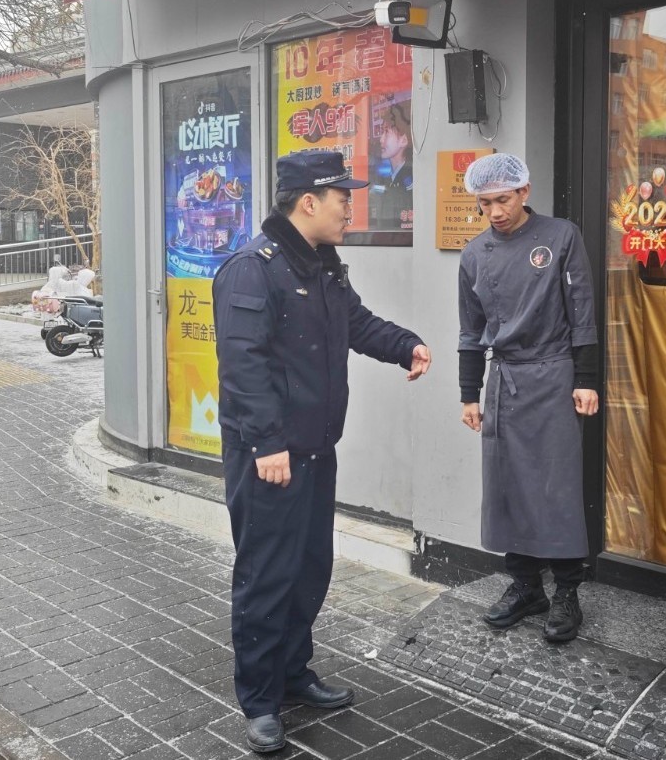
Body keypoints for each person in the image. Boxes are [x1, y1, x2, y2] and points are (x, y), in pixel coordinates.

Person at [212, 149, 431, 753]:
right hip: (270, 458)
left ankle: (293, 674)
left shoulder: (325, 267)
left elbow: (356, 324)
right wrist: (266, 443)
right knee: (266, 575)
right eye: (342, 199)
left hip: (313, 450)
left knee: (310, 568)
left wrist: (405, 344)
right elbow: (242, 366)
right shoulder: (250, 270)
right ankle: (259, 701)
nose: (350, 210)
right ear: (308, 202)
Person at [457, 152, 599, 644]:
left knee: (555, 485)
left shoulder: (561, 236)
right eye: (485, 202)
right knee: (507, 485)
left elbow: (582, 312)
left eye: (502, 199)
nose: (495, 211)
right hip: (505, 380)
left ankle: (566, 592)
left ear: (524, 193)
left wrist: (586, 378)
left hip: (555, 373)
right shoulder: (475, 254)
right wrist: (467, 393)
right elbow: (470, 330)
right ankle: (524, 585)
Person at [368, 100, 413, 231]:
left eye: (387, 132)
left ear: (403, 140)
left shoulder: (410, 175)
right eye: (382, 132)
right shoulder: (387, 175)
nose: (381, 139)